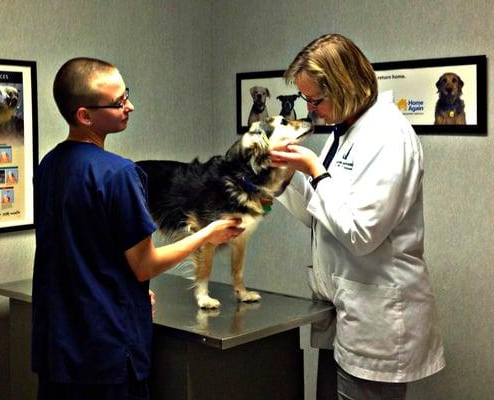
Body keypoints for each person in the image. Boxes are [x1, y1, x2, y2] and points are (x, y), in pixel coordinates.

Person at [32, 57, 244, 400]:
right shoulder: (119, 174)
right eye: (118, 103)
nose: (129, 106)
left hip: (58, 347)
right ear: (85, 116)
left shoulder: (49, 166)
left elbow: (78, 250)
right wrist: (207, 234)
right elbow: (145, 264)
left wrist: (129, 291)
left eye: (125, 94)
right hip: (107, 353)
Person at [270, 34, 445, 399]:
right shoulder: (346, 130)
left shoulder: (389, 136)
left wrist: (315, 168)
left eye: (316, 100)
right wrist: (288, 175)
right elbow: (323, 217)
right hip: (342, 313)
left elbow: (361, 233)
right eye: (305, 99)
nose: (311, 109)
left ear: (345, 86)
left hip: (376, 323)